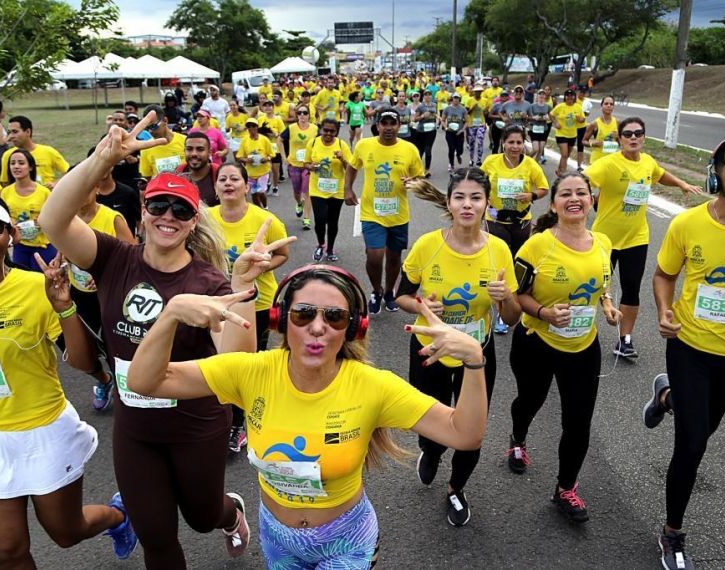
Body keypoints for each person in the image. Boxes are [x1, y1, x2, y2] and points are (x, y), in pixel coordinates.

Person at [38, 113, 292, 568]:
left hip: (195, 426)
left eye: (180, 210)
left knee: (200, 516)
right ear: (142, 213)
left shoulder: (211, 282)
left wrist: (241, 282)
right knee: (156, 538)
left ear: (194, 221)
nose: (167, 217)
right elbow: (53, 219)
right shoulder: (114, 258)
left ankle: (229, 511)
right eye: (158, 206)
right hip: (135, 427)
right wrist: (101, 161)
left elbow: (234, 363)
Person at [126, 263, 490, 568]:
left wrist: (474, 359)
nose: (318, 327)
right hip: (277, 538)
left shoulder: (373, 386)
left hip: (346, 541)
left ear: (353, 327)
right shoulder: (250, 372)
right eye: (303, 314)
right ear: (281, 320)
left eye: (334, 317)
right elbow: (146, 381)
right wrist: (171, 314)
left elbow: (464, 434)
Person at [0, 190, 139, 565]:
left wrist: (64, 308)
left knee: (67, 533)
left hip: (45, 431)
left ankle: (119, 516)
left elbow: (81, 362)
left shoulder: (38, 288)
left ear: (11, 234)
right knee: (6, 550)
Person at [643, 136, 725, 570]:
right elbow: (663, 275)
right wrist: (664, 310)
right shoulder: (688, 225)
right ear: (717, 175)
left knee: (702, 431)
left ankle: (665, 398)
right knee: (692, 445)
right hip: (688, 346)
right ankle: (672, 533)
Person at [397, 169, 520, 526]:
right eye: (460, 197)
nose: (468, 205)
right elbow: (401, 295)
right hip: (430, 351)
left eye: (476, 198)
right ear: (449, 202)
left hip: (476, 355)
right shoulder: (427, 245)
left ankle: (456, 486)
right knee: (431, 421)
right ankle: (431, 451)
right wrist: (422, 306)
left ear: (487, 204)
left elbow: (511, 318)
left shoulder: (499, 249)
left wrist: (506, 298)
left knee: (472, 427)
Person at [506, 172, 621, 523]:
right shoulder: (537, 245)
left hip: (584, 346)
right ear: (554, 204)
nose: (575, 199)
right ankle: (518, 437)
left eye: (582, 193)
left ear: (591, 200)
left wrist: (607, 306)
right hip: (536, 341)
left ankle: (565, 488)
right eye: (566, 194)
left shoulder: (603, 241)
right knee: (530, 400)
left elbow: (600, 284)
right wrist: (543, 312)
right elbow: (517, 294)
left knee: (579, 421)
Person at [585, 117, 701, 359]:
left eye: (638, 133)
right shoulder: (608, 164)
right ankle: (583, 331)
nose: (633, 138)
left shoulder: (647, 162)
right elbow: (583, 180)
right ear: (619, 139)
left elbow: (660, 174)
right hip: (604, 237)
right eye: (627, 134)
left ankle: (624, 340)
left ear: (644, 137)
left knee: (631, 288)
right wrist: (580, 202)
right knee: (594, 286)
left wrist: (680, 183)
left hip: (636, 237)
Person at [207, 162, 291, 453]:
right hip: (215, 300)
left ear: (246, 186)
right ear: (216, 188)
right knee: (217, 360)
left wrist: (265, 265)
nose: (228, 183)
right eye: (222, 179)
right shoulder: (204, 219)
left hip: (256, 301)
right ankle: (218, 415)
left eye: (234, 179)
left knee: (246, 363)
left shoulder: (264, 220)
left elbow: (282, 253)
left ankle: (238, 425)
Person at [66, 177, 137, 412]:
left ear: (97, 188)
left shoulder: (112, 218)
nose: (80, 193)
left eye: (86, 187)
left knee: (115, 344)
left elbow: (132, 255)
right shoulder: (67, 217)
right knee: (84, 349)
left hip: (109, 293)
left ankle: (126, 388)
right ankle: (103, 380)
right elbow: (62, 247)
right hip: (80, 293)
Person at [345, 108, 425, 314]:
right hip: (372, 213)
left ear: (399, 126)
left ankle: (389, 291)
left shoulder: (410, 149)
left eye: (393, 123)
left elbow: (420, 178)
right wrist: (347, 189)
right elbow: (353, 166)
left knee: (394, 257)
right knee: (374, 255)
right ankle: (376, 290)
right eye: (384, 123)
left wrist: (413, 182)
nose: (388, 128)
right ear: (378, 125)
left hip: (398, 214)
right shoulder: (364, 145)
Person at [480, 123, 549, 281]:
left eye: (519, 142)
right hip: (495, 217)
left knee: (518, 258)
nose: (515, 147)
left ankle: (514, 292)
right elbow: (477, 181)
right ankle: (496, 291)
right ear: (503, 143)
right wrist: (483, 195)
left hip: (521, 220)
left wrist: (531, 195)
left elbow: (544, 188)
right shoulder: (491, 161)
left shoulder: (530, 164)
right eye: (511, 142)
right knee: (498, 257)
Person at [305, 117, 352, 262]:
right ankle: (320, 244)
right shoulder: (313, 143)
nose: (329, 134)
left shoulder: (341, 144)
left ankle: (330, 248)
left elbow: (350, 168)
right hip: (317, 188)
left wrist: (342, 159)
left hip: (336, 189)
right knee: (319, 219)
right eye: (326, 130)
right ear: (321, 129)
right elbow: (305, 163)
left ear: (337, 131)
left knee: (332, 222)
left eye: (332, 131)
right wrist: (310, 167)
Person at [0, 149, 57, 271]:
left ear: (30, 167)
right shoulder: (5, 192)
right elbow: (4, 215)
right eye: (12, 163)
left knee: (42, 283)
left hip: (43, 247)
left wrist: (41, 221)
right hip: (20, 247)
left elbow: (54, 217)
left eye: (21, 163)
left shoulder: (44, 193)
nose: (16, 166)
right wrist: (10, 222)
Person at [0, 116, 69, 187]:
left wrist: (55, 184)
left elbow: (69, 172)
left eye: (15, 132)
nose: (11, 136)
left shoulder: (48, 151)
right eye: (9, 132)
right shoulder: (8, 155)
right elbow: (5, 183)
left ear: (28, 132)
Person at [283, 105, 319, 230]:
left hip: (308, 165)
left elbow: (320, 143)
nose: (302, 115)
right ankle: (299, 203)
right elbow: (279, 140)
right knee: (297, 191)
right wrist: (284, 157)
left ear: (309, 115)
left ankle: (307, 218)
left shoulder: (314, 129)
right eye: (300, 113)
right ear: (297, 115)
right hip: (294, 164)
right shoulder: (291, 128)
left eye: (305, 113)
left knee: (307, 191)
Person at [139, 104, 188, 178]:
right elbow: (147, 177)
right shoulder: (146, 148)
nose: (150, 131)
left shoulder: (185, 141)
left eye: (153, 126)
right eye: (147, 128)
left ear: (165, 120)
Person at [237, 118, 275, 210]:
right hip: (250, 172)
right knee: (254, 193)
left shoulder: (264, 140)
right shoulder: (244, 141)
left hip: (263, 171)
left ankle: (265, 207)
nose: (251, 128)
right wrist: (246, 160)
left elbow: (272, 154)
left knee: (260, 192)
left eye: (253, 126)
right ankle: (259, 210)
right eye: (249, 126)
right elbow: (239, 156)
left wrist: (266, 159)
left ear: (257, 127)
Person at [175, 131, 220, 207]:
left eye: (200, 149)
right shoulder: (177, 174)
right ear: (184, 151)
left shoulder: (220, 175)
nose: (194, 154)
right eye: (189, 149)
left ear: (209, 152)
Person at [550, 89, 585, 176]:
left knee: (566, 155)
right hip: (561, 134)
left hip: (572, 135)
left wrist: (579, 119)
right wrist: (555, 123)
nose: (569, 97)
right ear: (565, 97)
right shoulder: (561, 106)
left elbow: (583, 119)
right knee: (564, 154)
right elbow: (551, 114)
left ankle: (559, 170)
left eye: (571, 96)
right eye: (567, 95)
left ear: (574, 97)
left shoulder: (578, 107)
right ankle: (564, 174)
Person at [583, 96, 619, 165]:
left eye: (611, 104)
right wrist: (592, 143)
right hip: (597, 161)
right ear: (601, 105)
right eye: (606, 103)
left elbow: (621, 143)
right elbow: (584, 141)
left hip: (611, 161)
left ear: (613, 107)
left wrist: (618, 137)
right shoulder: (594, 124)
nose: (609, 106)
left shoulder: (617, 122)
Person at [412, 90, 438, 177]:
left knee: (428, 149)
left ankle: (427, 170)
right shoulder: (420, 106)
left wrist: (435, 118)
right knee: (420, 151)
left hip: (431, 130)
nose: (428, 96)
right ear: (423, 97)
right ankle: (417, 168)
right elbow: (415, 119)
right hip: (421, 131)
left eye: (429, 95)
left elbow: (435, 116)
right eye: (426, 95)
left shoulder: (434, 105)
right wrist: (423, 116)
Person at [441, 94, 467, 173]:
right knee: (451, 148)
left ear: (459, 99)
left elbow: (466, 121)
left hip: (459, 132)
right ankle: (451, 164)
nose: (456, 100)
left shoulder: (463, 109)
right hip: (450, 132)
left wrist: (462, 129)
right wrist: (445, 127)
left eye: (457, 98)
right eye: (454, 98)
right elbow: (442, 120)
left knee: (460, 149)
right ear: (452, 99)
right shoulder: (447, 109)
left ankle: (458, 155)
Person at [465, 85, 488, 168]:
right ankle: (471, 159)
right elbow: (467, 112)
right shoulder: (470, 100)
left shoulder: (485, 101)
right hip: (472, 124)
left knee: (480, 141)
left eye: (479, 92)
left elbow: (486, 114)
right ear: (474, 92)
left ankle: (479, 159)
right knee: (472, 142)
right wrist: (472, 108)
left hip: (481, 123)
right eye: (476, 92)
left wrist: (486, 112)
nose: (478, 93)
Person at [528, 90, 552, 165]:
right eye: (540, 94)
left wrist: (547, 118)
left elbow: (551, 117)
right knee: (536, 149)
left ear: (545, 96)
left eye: (543, 94)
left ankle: (535, 165)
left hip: (543, 129)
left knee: (541, 150)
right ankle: (526, 160)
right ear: (537, 96)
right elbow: (528, 117)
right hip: (534, 128)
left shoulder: (548, 106)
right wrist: (534, 117)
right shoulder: (532, 106)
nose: (541, 95)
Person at [487, 89, 511, 155]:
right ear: (500, 97)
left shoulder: (510, 105)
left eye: (505, 96)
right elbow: (490, 115)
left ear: (508, 97)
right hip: (496, 125)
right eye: (502, 96)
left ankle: (503, 158)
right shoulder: (496, 105)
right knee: (496, 144)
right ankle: (494, 158)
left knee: (504, 144)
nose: (504, 97)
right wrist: (500, 117)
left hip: (506, 126)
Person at [575, 87, 594, 170]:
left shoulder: (586, 102)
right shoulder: (574, 100)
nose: (581, 94)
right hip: (573, 127)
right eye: (580, 92)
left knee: (580, 146)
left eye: (583, 92)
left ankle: (579, 165)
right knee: (570, 145)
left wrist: (585, 114)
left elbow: (587, 113)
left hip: (582, 126)